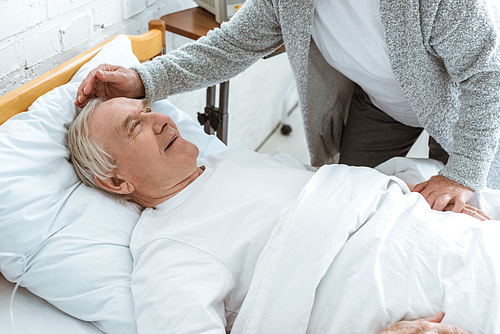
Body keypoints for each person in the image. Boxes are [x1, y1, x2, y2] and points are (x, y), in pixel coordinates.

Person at [68, 96, 492, 334]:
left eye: (147, 110)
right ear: (117, 182)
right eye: (134, 126)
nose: (159, 119)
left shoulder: (227, 164)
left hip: (443, 236)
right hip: (411, 295)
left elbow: (331, 191)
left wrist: (411, 196)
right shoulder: (167, 250)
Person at [74, 0, 500, 215]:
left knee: (475, 206)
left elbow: (486, 76)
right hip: (382, 105)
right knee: (352, 198)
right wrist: (145, 78)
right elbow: (233, 44)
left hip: (467, 108)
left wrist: (461, 173)